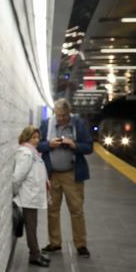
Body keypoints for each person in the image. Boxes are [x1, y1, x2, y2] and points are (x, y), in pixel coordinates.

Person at [38, 98, 93, 257]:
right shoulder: (46, 124)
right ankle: (55, 243)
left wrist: (74, 145)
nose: (60, 118)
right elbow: (38, 145)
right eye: (58, 115)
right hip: (52, 175)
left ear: (69, 113)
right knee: (52, 210)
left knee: (76, 210)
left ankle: (81, 244)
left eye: (63, 115)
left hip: (72, 174)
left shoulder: (79, 125)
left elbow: (89, 147)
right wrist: (49, 145)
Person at [13, 126, 50, 267]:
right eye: (33, 137)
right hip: (29, 196)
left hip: (32, 196)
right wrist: (15, 192)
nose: (36, 140)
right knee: (31, 227)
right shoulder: (26, 154)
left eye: (37, 137)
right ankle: (34, 255)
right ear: (26, 138)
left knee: (32, 226)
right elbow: (17, 177)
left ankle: (36, 253)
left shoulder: (32, 152)